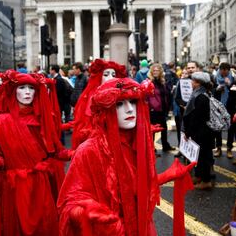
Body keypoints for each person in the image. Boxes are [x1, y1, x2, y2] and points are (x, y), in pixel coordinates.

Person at [57, 78, 195, 236]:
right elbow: (70, 201)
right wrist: (88, 211)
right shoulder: (89, 150)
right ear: (106, 109)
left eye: (133, 102)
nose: (129, 109)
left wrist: (168, 175)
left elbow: (134, 187)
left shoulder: (139, 144)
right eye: (119, 104)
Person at [0, 71, 72, 235]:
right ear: (13, 90)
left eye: (31, 88)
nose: (28, 92)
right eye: (22, 87)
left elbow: (55, 151)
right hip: (15, 186)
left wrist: (77, 153)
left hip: (40, 184)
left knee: (44, 225)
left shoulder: (42, 118)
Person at [72, 59, 127, 149]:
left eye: (114, 75)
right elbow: (89, 118)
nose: (111, 78)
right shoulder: (92, 96)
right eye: (106, 74)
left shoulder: (122, 94)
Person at [182, 72, 214, 190]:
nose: (191, 83)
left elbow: (196, 118)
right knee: (199, 155)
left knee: (203, 156)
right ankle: (199, 176)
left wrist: (188, 132)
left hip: (202, 132)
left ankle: (206, 181)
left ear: (199, 83)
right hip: (201, 131)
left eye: (193, 81)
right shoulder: (201, 94)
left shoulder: (200, 97)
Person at [147, 63, 174, 153]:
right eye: (154, 70)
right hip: (153, 110)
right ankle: (151, 147)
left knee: (164, 128)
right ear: (151, 71)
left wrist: (168, 107)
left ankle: (165, 145)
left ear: (160, 72)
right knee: (153, 130)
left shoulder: (162, 81)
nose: (155, 72)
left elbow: (165, 94)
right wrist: (154, 107)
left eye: (157, 70)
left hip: (162, 109)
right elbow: (149, 97)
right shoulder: (149, 82)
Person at [213, 62, 234, 158]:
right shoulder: (214, 77)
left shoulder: (233, 77)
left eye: (226, 71)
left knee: (231, 127)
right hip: (218, 104)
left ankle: (229, 148)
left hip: (229, 104)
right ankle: (219, 147)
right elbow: (211, 90)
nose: (224, 73)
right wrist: (217, 89)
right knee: (218, 126)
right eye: (223, 71)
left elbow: (235, 90)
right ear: (220, 70)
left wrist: (229, 85)